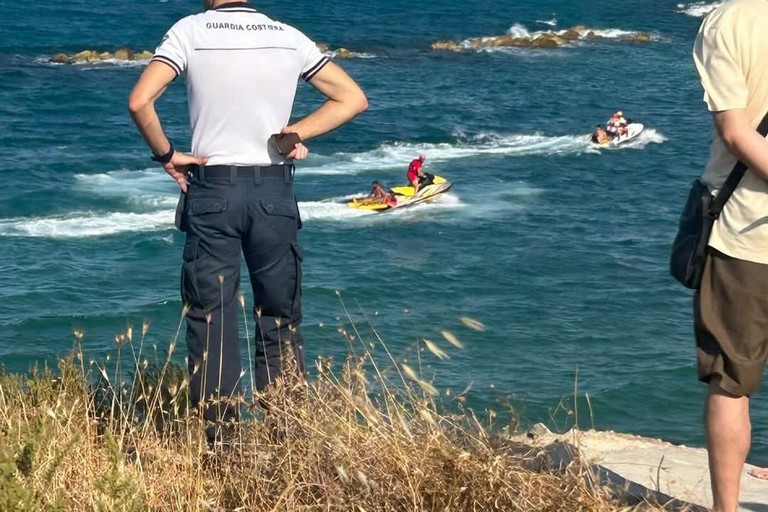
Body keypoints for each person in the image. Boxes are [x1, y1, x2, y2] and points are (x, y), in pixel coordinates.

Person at [128, 0, 367, 442]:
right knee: (279, 319)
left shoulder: (191, 30)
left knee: (211, 320)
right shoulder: (288, 36)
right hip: (274, 194)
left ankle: (223, 453)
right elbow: (353, 98)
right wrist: (294, 133)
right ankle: (288, 446)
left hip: (212, 191)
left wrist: (166, 155)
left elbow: (140, 101)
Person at [691, 1, 768, 509]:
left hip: (744, 233)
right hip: (746, 232)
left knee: (731, 380)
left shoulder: (730, 19)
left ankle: (727, 509)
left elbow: (736, 132)